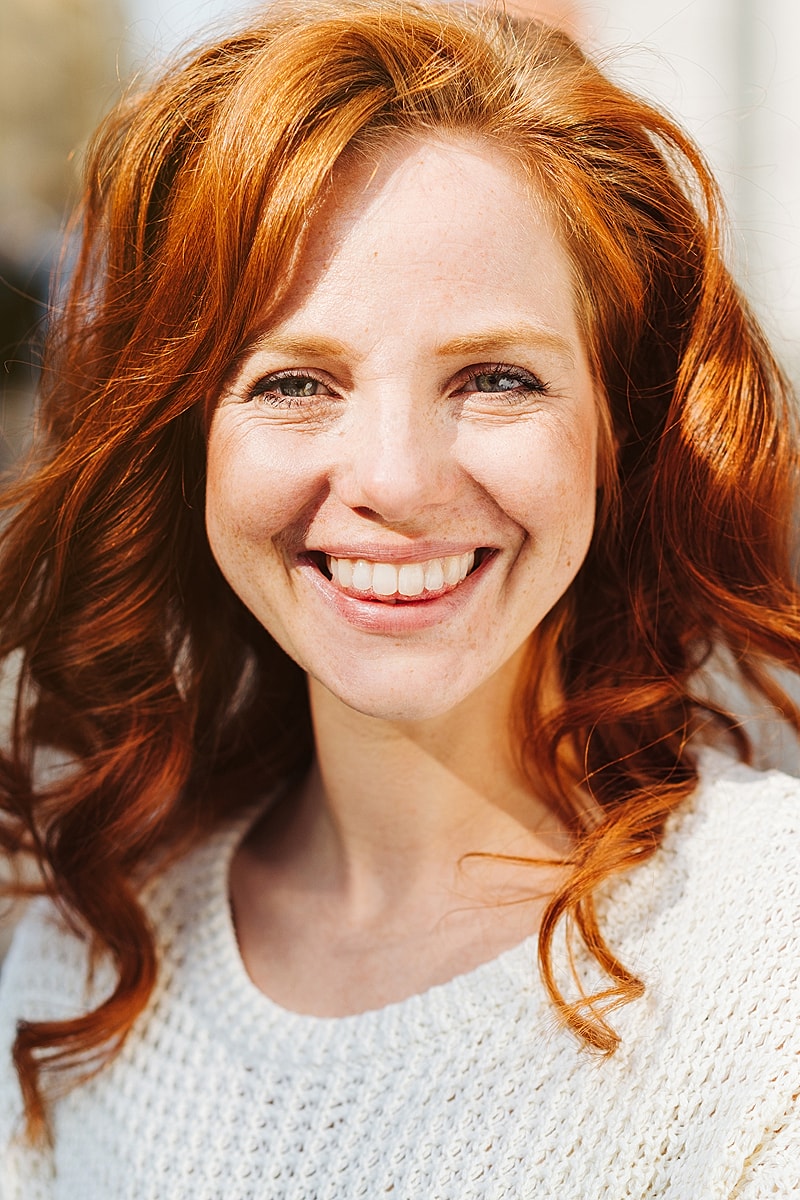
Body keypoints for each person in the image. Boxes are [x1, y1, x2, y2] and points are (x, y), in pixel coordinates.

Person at [0, 1, 798, 1195]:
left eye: (494, 377)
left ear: (615, 426)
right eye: (294, 381)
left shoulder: (767, 961)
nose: (394, 481)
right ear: (184, 439)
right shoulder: (89, 951)